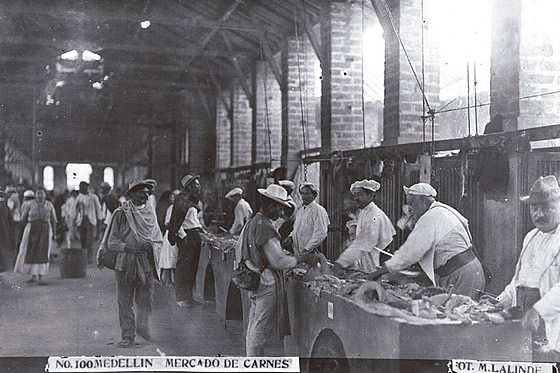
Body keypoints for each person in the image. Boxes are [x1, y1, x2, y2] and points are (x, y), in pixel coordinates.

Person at [368, 183, 485, 299]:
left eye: (412, 204)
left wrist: (381, 270)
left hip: (462, 275)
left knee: (459, 313)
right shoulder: (440, 210)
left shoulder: (431, 216)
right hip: (463, 272)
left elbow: (410, 252)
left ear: (423, 200)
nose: (410, 210)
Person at [241, 184, 319, 356]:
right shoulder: (265, 226)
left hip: (255, 277)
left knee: (254, 323)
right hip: (266, 281)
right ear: (271, 206)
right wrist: (302, 258)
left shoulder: (254, 221)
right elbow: (278, 260)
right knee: (260, 327)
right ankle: (255, 364)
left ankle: (251, 360)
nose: (281, 213)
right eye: (279, 209)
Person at [496, 175, 560, 354]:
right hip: (526, 323)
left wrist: (538, 311)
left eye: (546, 208)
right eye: (534, 208)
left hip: (553, 325)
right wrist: (500, 301)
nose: (539, 214)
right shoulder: (531, 236)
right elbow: (519, 279)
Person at [97, 179, 162, 347]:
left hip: (146, 262)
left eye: (147, 192)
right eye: (141, 191)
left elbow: (156, 237)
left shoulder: (150, 213)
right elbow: (112, 242)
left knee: (146, 297)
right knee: (125, 300)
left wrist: (150, 247)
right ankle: (128, 335)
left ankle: (143, 327)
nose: (145, 195)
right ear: (132, 194)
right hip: (124, 263)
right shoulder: (121, 213)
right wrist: (129, 247)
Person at [333, 180, 396, 273]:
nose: (355, 198)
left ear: (371, 196)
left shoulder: (373, 215)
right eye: (355, 195)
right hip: (362, 262)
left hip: (370, 265)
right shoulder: (364, 212)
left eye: (359, 194)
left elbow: (364, 243)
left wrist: (340, 263)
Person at [168, 175, 204, 308]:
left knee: (192, 267)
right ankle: (181, 298)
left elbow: (191, 219)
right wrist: (184, 237)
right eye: (196, 184)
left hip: (193, 234)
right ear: (189, 186)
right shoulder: (182, 200)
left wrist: (200, 230)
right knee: (184, 267)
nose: (199, 187)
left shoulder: (191, 200)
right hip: (186, 236)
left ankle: (189, 297)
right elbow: (177, 222)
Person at [14, 187, 57, 285]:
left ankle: (41, 276)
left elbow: (54, 220)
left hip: (45, 230)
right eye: (38, 193)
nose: (40, 195)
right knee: (31, 252)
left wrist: (54, 234)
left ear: (45, 195)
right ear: (35, 195)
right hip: (31, 230)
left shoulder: (49, 205)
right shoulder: (29, 204)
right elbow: (23, 218)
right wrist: (21, 232)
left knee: (42, 252)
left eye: (42, 193)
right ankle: (33, 275)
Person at [287, 182, 329, 255]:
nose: (303, 196)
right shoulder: (300, 210)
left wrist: (307, 249)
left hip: (311, 252)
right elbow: (296, 229)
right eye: (302, 193)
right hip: (299, 252)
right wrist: (291, 237)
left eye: (307, 194)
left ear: (314, 195)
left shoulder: (318, 210)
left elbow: (321, 233)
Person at [77, 181, 102, 263]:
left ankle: (89, 257)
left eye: (82, 187)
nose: (81, 189)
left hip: (90, 220)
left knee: (89, 239)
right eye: (80, 187)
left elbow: (98, 208)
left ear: (86, 188)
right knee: (82, 239)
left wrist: (100, 219)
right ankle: (83, 257)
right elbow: (76, 210)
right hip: (81, 220)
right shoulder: (79, 197)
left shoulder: (93, 197)